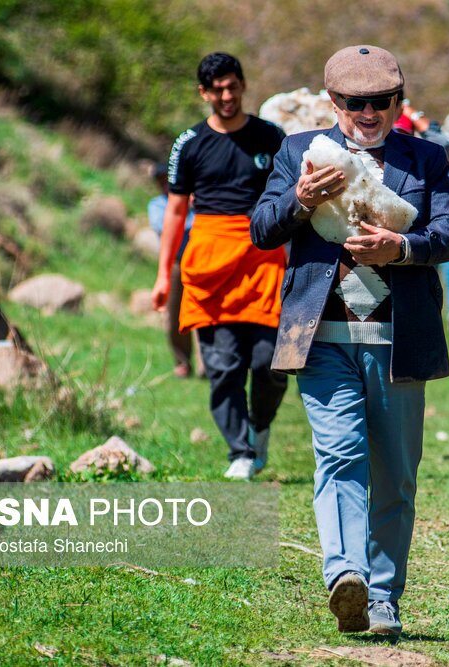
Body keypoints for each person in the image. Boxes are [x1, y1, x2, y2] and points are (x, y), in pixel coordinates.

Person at [250, 45, 449, 637]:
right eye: (355, 102)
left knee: (395, 473)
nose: (368, 112)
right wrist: (301, 201)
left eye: (381, 102)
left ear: (399, 102)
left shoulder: (425, 158)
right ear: (333, 101)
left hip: (401, 339)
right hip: (320, 336)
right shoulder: (298, 153)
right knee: (340, 456)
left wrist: (403, 249)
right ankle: (347, 576)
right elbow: (262, 230)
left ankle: (384, 598)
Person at [151, 52, 289, 480]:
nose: (226, 96)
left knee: (270, 363)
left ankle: (260, 428)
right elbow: (175, 213)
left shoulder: (272, 137)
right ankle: (239, 453)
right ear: (204, 93)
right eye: (217, 89)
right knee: (225, 364)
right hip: (210, 263)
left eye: (233, 86)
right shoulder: (188, 143)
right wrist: (162, 274)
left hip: (264, 257)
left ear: (243, 85)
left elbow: (291, 201)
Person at [147, 163, 201, 378]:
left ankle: (208, 363)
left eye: (168, 181)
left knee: (205, 311)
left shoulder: (198, 202)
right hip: (176, 264)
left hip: (201, 260)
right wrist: (183, 210)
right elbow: (165, 226)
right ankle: (182, 361)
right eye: (161, 182)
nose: (165, 186)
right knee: (175, 314)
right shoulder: (158, 205)